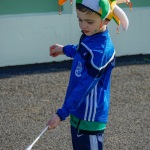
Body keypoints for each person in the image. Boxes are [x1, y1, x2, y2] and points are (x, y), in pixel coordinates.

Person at [47, 0, 131, 149]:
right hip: (78, 112)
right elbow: (81, 50)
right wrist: (63, 49)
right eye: (79, 19)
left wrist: (61, 113)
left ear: (106, 19)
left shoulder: (101, 51)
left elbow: (85, 86)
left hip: (90, 119)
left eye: (89, 22)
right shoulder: (91, 35)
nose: (83, 25)